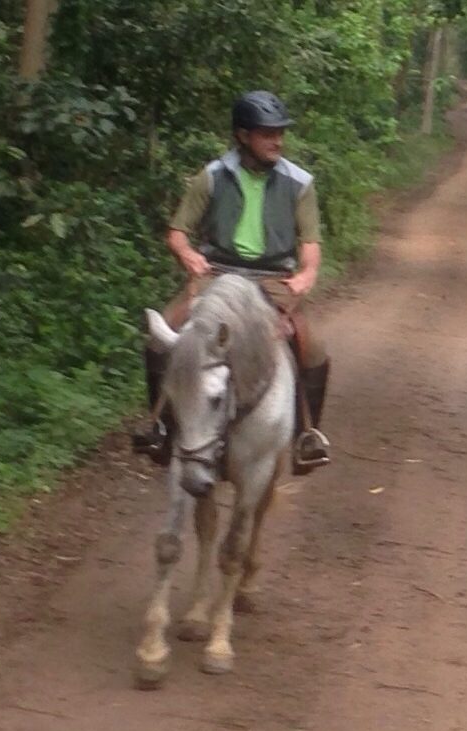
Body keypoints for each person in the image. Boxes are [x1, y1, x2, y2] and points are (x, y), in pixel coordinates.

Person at [133, 90, 331, 474]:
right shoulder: (211, 177)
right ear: (242, 136)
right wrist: (189, 255)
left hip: (274, 278)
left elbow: (310, 243)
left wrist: (307, 273)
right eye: (266, 134)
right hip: (217, 273)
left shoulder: (300, 183)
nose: (277, 141)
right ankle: (159, 426)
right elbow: (177, 231)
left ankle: (307, 436)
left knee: (313, 347)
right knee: (164, 335)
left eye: (279, 133)